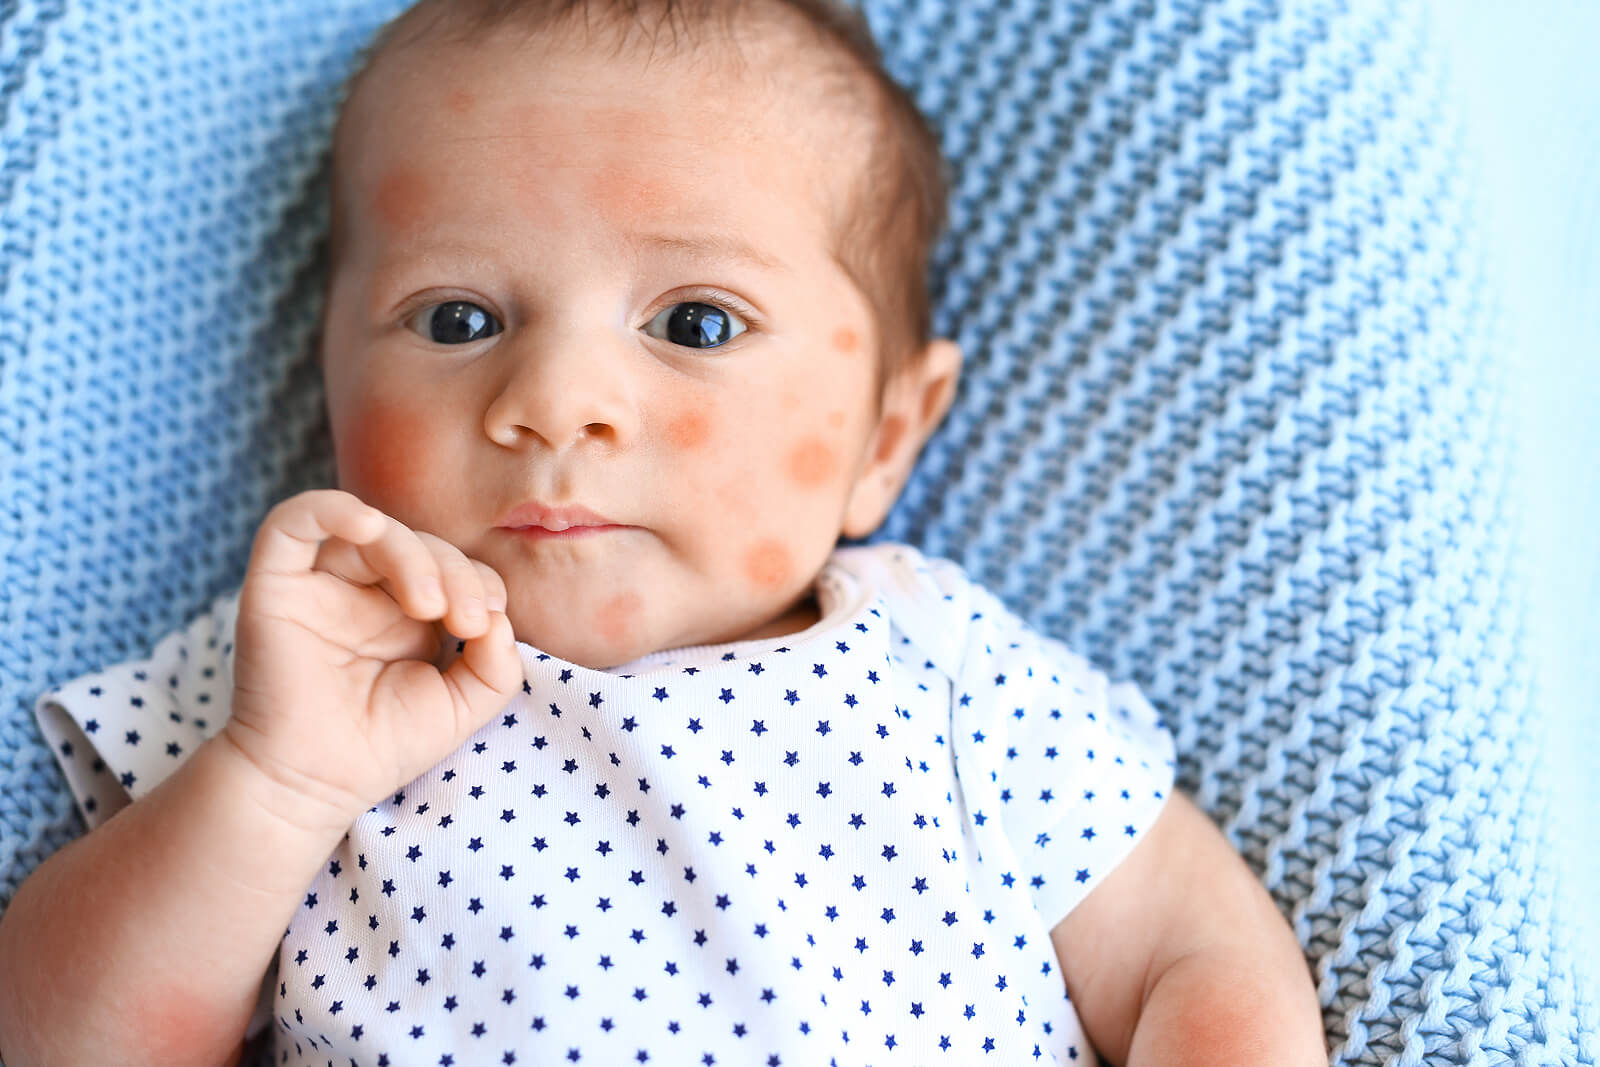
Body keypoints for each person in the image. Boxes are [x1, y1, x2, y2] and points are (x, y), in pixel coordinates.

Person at [0, 1, 1327, 1063]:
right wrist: (271, 783)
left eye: (695, 322)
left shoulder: (941, 666)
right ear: (327, 373)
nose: (552, 403)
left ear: (884, 439)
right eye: (458, 319)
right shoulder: (302, 673)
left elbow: (1191, 961)